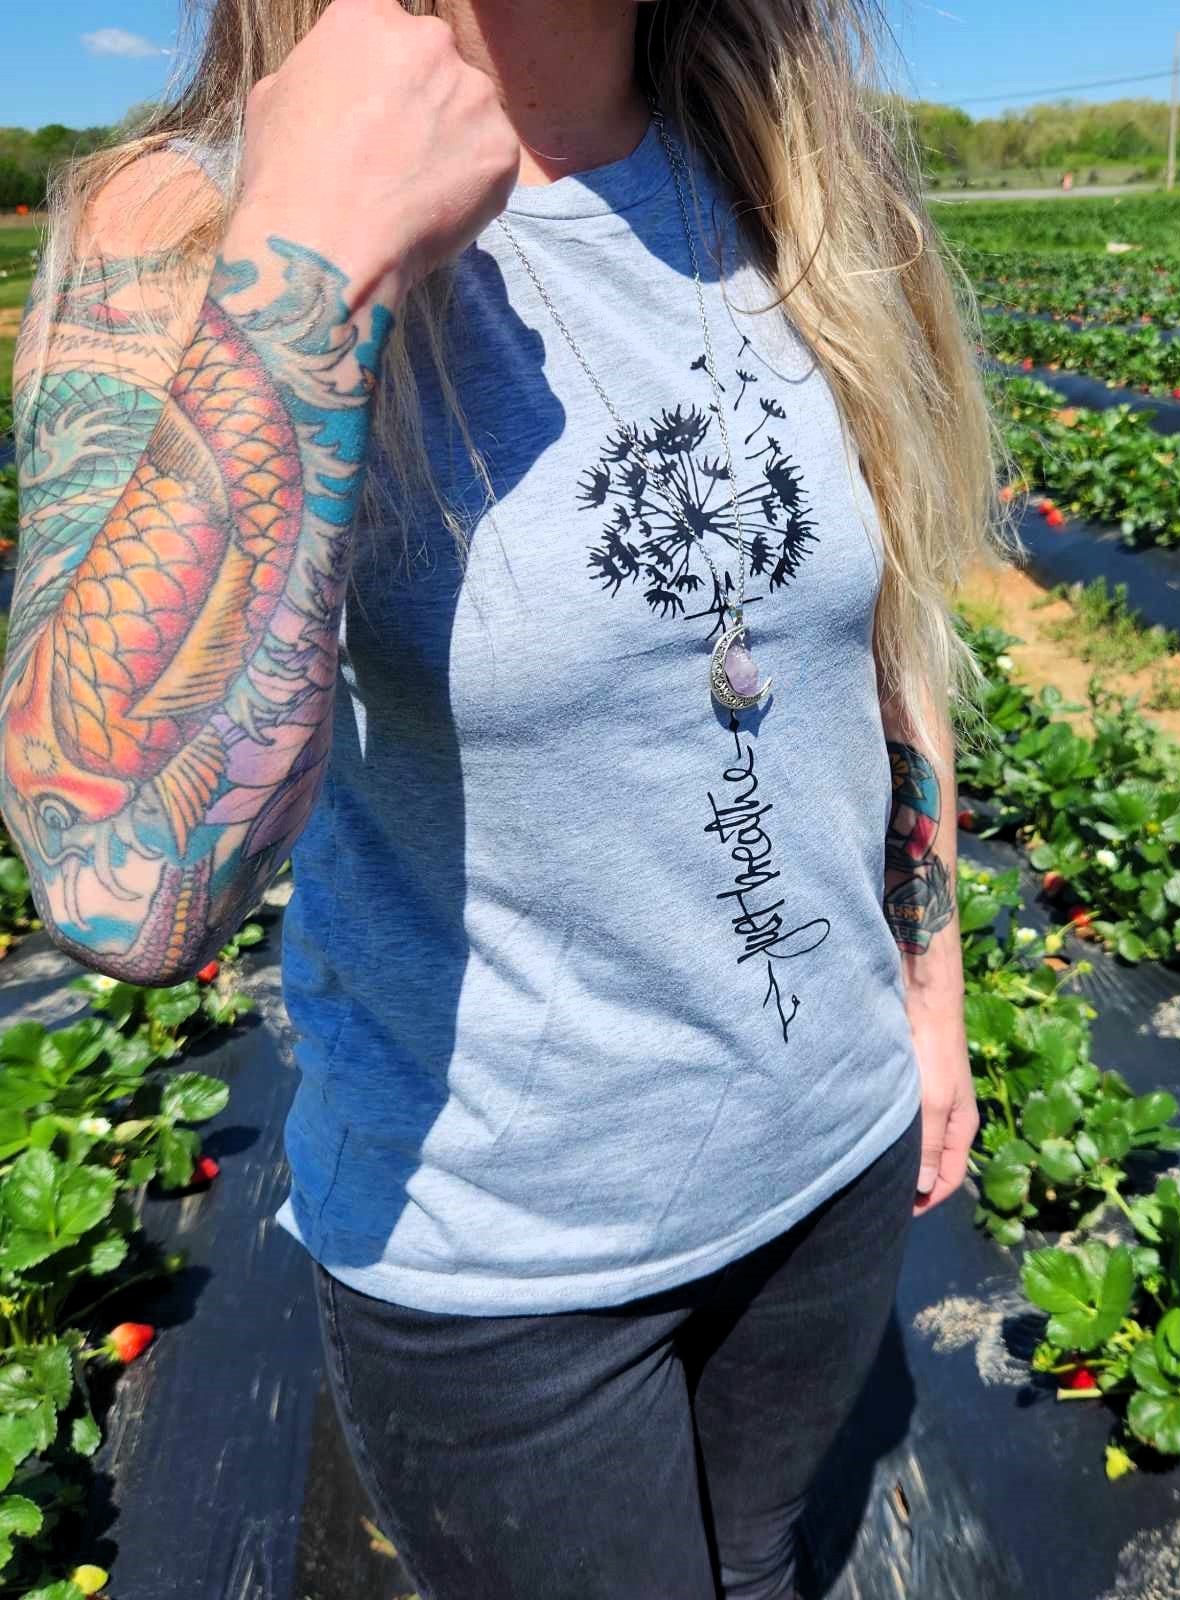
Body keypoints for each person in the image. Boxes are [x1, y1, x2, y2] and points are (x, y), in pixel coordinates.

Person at [2, 0, 1013, 1594]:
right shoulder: (196, 216)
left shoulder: (786, 174)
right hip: (512, 1267)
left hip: (831, 1159)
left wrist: (929, 995)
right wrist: (319, 243)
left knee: (758, 1564)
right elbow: (120, 874)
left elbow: (881, 642)